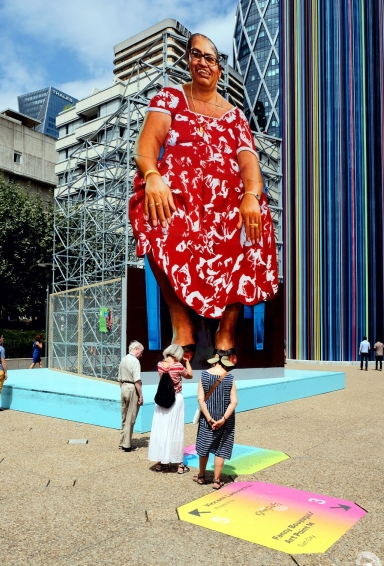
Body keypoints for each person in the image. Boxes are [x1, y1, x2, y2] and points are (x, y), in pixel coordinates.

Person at [130, 33, 278, 365]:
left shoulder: (235, 116)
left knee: (256, 221)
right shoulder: (170, 98)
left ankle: (227, 329)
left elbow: (250, 167)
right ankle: (182, 325)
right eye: (196, 55)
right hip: (183, 196)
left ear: (220, 70)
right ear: (187, 60)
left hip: (226, 203)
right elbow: (147, 145)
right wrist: (153, 175)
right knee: (151, 205)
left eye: (210, 58)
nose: (203, 62)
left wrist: (251, 195)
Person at [193, 351, 238, 489]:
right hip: (225, 418)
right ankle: (217, 481)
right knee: (221, 448)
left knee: (204, 445)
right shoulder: (229, 378)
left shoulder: (204, 375)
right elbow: (234, 402)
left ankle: (201, 476)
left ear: (214, 360)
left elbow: (200, 399)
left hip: (208, 418)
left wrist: (209, 418)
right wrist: (223, 419)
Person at [148, 344, 193, 473]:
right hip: (175, 399)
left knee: (161, 429)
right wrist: (187, 362)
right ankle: (179, 465)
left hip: (162, 400)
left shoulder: (160, 364)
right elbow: (189, 375)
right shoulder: (178, 366)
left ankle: (160, 463)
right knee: (176, 429)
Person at [118, 340, 144, 452]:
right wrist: (141, 395)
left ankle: (122, 441)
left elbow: (119, 379)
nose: (141, 355)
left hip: (124, 387)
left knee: (124, 416)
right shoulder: (135, 361)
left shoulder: (123, 360)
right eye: (141, 352)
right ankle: (127, 445)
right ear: (136, 349)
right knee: (131, 417)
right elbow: (137, 380)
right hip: (132, 388)